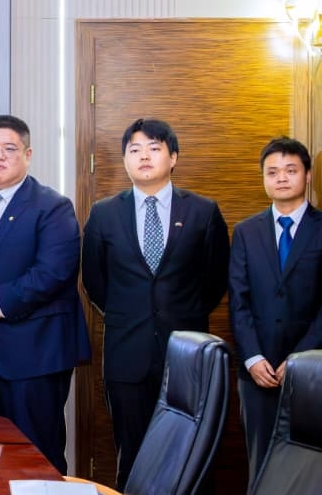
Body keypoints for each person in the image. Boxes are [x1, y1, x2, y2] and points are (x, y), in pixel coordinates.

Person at [81, 117, 230, 490]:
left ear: (173, 157)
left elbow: (215, 281)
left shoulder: (202, 211)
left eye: (154, 147)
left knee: (189, 456)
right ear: (125, 160)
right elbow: (95, 283)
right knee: (132, 454)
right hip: (126, 353)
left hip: (186, 357)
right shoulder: (104, 213)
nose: (143, 156)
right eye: (134, 149)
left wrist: (184, 314)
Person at [0, 114, 89, 474]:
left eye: (9, 149)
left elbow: (53, 271)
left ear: (28, 154)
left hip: (33, 355)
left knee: (34, 456)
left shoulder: (53, 206)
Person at [229, 136, 322, 485]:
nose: (281, 177)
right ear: (264, 179)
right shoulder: (245, 232)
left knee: (307, 472)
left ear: (308, 175)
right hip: (258, 373)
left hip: (313, 372)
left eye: (290, 170)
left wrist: (299, 360)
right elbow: (238, 301)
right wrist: (252, 358)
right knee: (260, 464)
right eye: (272, 172)